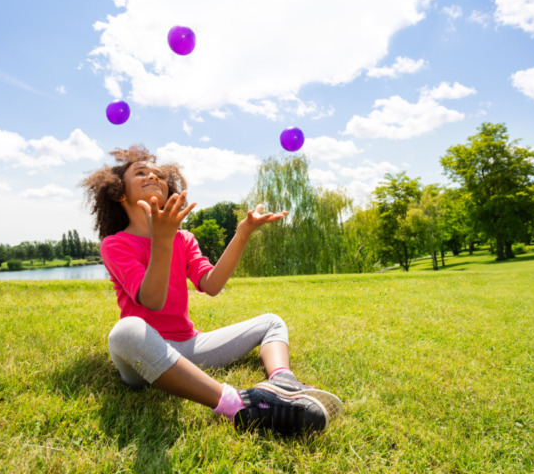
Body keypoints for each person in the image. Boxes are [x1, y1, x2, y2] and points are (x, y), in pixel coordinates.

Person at [81, 145, 342, 435]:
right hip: (143, 358)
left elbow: (211, 284)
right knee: (125, 331)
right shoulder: (116, 244)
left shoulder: (184, 238)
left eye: (158, 174)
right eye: (140, 173)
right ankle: (238, 404)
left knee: (272, 322)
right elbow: (152, 300)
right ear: (119, 192)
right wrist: (163, 239)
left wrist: (242, 234)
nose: (152, 176)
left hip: (189, 348)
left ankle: (284, 381)